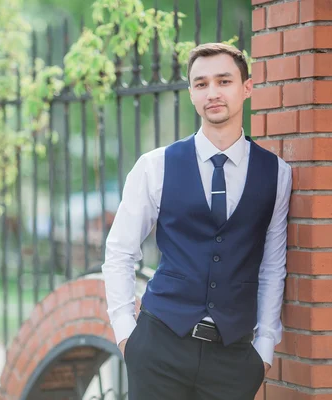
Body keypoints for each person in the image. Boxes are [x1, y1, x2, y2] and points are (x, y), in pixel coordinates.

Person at [101, 43, 292, 400]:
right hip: (158, 349)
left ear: (246, 88)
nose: (213, 93)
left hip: (233, 358)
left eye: (224, 81)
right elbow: (120, 252)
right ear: (191, 94)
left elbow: (272, 267)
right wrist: (128, 336)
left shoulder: (276, 174)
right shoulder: (155, 165)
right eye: (201, 84)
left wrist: (265, 348)